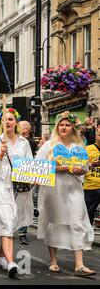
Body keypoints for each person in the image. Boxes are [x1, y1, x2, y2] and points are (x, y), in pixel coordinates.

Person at [36, 111, 95, 276]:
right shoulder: (49, 146)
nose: (64, 127)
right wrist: (57, 167)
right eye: (61, 124)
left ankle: (79, 264)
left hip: (73, 189)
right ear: (57, 127)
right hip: (54, 190)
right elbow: (38, 167)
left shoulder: (79, 147)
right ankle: (53, 260)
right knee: (54, 221)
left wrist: (80, 170)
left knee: (77, 222)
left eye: (67, 125)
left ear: (73, 128)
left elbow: (85, 168)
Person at [0, 108, 33, 279]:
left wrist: (34, 178)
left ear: (15, 122)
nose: (8, 122)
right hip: (0, 186)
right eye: (5, 120)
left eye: (10, 119)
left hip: (18, 187)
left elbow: (30, 165)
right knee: (7, 219)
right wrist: (0, 155)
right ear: (2, 123)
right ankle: (11, 263)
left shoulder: (24, 143)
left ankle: (2, 257)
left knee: (11, 221)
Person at [16, 120, 37, 245]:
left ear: (25, 130)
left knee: (23, 205)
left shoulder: (29, 142)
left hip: (23, 176)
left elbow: (30, 160)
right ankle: (16, 230)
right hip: (14, 176)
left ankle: (22, 232)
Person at [84, 124, 100, 225]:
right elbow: (81, 167)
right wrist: (92, 164)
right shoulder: (87, 149)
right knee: (88, 214)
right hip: (91, 188)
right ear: (96, 136)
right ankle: (86, 238)